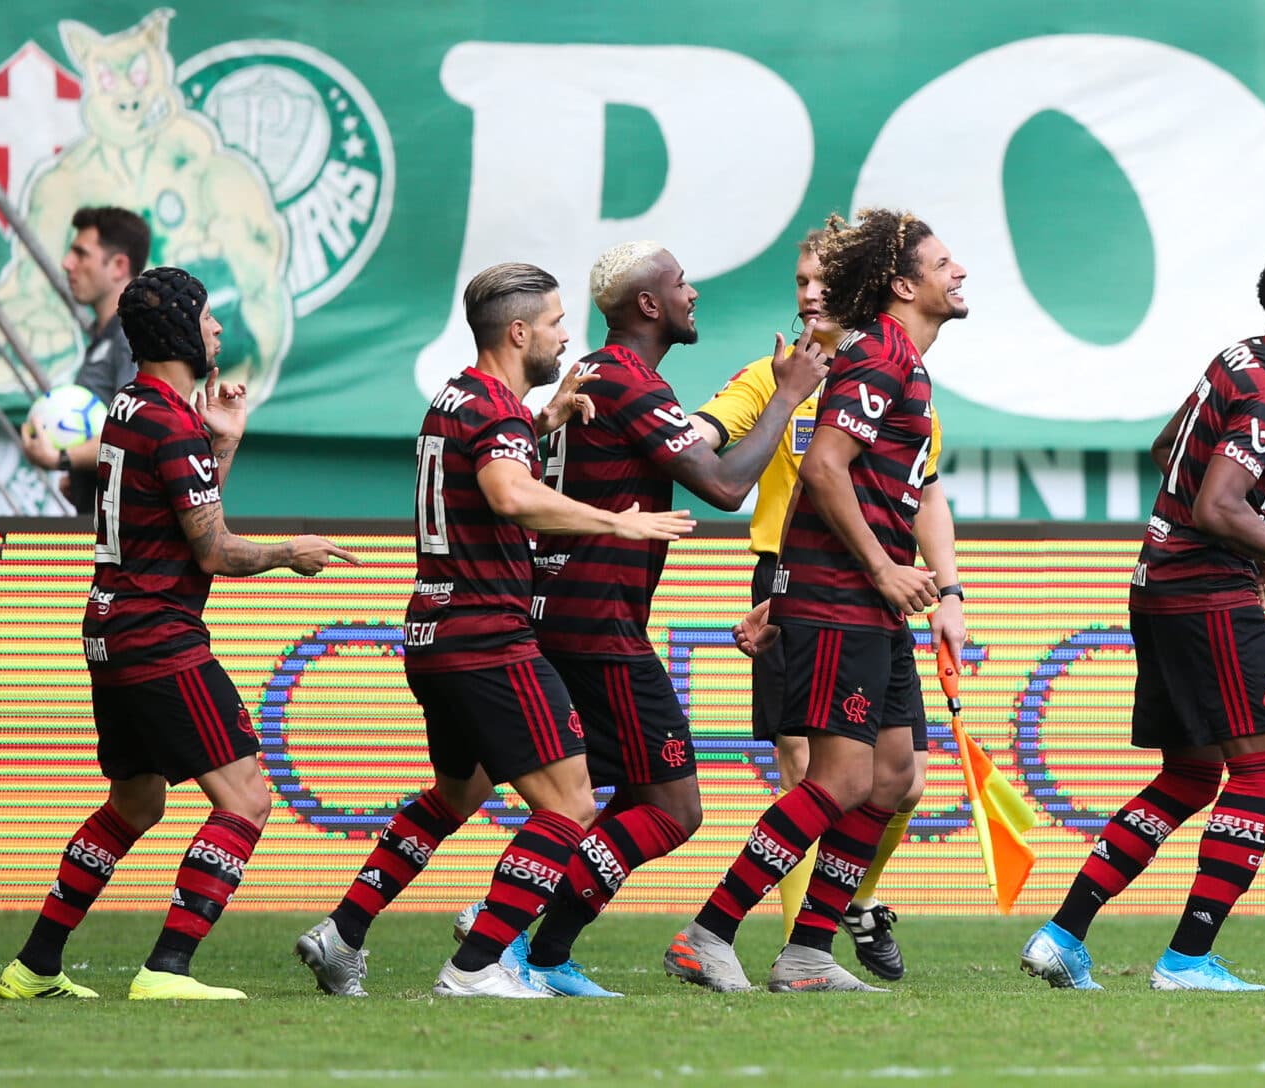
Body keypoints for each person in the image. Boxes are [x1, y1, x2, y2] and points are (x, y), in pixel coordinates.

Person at [292, 263, 693, 998]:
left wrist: (543, 423)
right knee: (571, 805)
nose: (565, 336)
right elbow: (509, 492)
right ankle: (476, 965)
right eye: (555, 323)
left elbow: (486, 465)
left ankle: (342, 933)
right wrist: (616, 520)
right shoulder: (496, 412)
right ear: (518, 332)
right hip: (487, 638)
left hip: (433, 633)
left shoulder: (459, 397)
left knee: (453, 794)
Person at [0, 266, 355, 1001]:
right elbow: (214, 550)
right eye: (209, 317)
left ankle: (32, 965)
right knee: (246, 797)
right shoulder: (168, 421)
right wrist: (291, 551)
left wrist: (220, 442)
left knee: (136, 804)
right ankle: (167, 969)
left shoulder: (134, 407)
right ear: (180, 331)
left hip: (110, 627)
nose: (218, 329)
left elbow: (185, 511)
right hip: (158, 635)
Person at [1018, 241, 1265, 994]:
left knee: (1188, 774)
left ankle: (1062, 934)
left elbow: (1164, 450)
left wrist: (1252, 549)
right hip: (1205, 596)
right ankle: (1186, 959)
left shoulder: (1238, 358)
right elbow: (1216, 504)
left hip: (1158, 585)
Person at [482, 241, 829, 996]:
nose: (692, 292)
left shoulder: (608, 379)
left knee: (625, 796)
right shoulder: (629, 381)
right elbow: (727, 487)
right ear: (648, 304)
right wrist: (786, 393)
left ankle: (535, 950)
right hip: (596, 623)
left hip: (569, 613)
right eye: (680, 283)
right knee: (674, 806)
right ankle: (505, 930)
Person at [665, 209, 966, 995]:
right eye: (943, 263)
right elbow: (824, 469)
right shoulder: (877, 358)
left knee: (894, 777)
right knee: (832, 779)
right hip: (847, 595)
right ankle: (709, 931)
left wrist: (785, 588)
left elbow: (825, 482)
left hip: (856, 596)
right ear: (904, 285)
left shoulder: (904, 363)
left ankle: (806, 953)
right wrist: (866, 571)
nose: (958, 272)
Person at [18, 206, 149, 514]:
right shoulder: (107, 334)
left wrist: (63, 458)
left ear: (118, 266)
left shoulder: (129, 334)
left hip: (124, 542)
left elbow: (135, 431)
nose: (66, 263)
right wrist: (83, 477)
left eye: (81, 254)